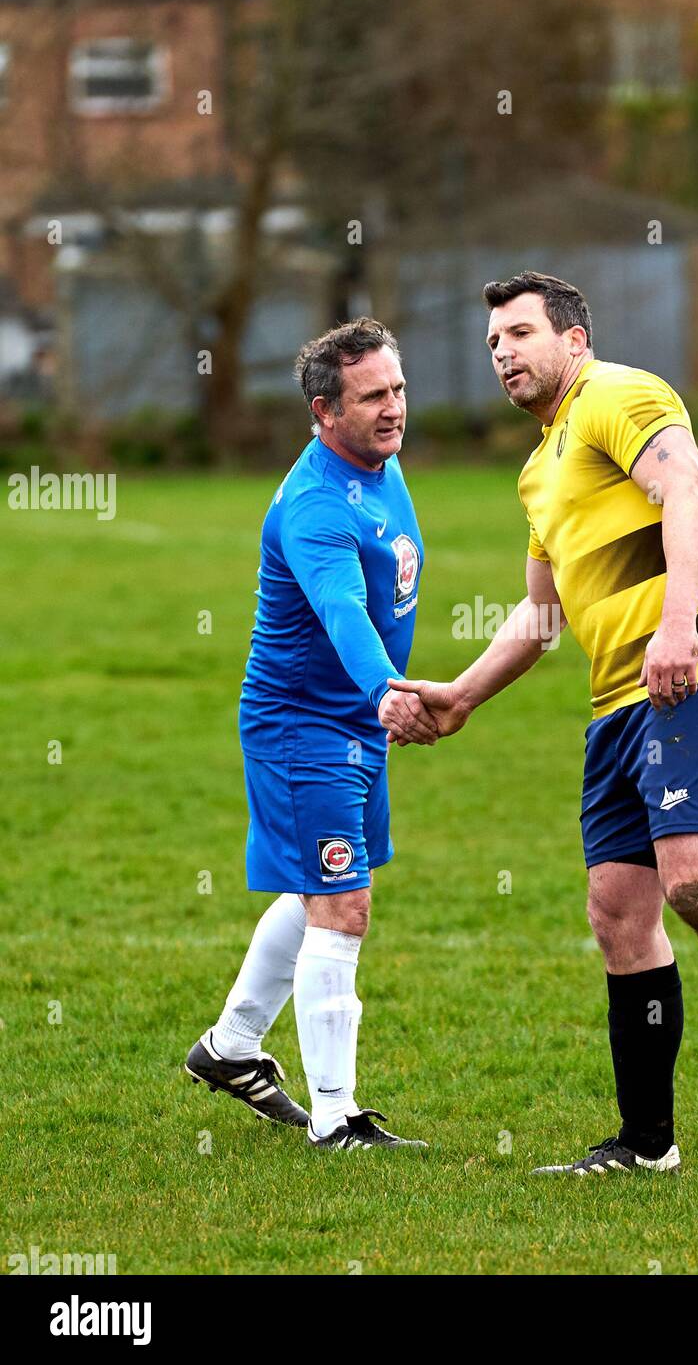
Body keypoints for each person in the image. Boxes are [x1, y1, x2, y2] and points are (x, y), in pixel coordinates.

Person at [389, 272, 698, 1184]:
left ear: (575, 338)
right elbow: (541, 615)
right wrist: (463, 695)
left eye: (521, 333)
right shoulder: (536, 467)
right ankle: (646, 1145)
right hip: (615, 703)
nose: (504, 353)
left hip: (696, 673)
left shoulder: (617, 394)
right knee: (618, 916)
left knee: (697, 884)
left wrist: (675, 625)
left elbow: (691, 496)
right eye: (492, 343)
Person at [185, 318, 432, 1152]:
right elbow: (341, 610)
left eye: (397, 389)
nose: (394, 408)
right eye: (373, 398)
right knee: (343, 902)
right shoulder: (317, 505)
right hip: (304, 726)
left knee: (319, 887)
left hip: (353, 718)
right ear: (324, 412)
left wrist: (377, 702)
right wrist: (388, 692)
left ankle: (228, 1049)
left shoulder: (380, 463)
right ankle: (336, 1118)